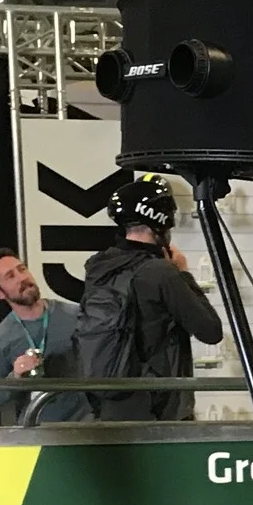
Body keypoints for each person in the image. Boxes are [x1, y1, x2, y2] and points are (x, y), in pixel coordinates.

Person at [78, 176, 224, 420]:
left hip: (112, 403)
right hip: (158, 409)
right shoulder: (160, 272)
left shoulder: (99, 266)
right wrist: (183, 273)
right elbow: (211, 331)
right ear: (162, 220)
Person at [0, 249, 91, 424]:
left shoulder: (77, 315)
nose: (22, 278)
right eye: (10, 276)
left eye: (22, 269)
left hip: (88, 423)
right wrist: (15, 377)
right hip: (37, 430)